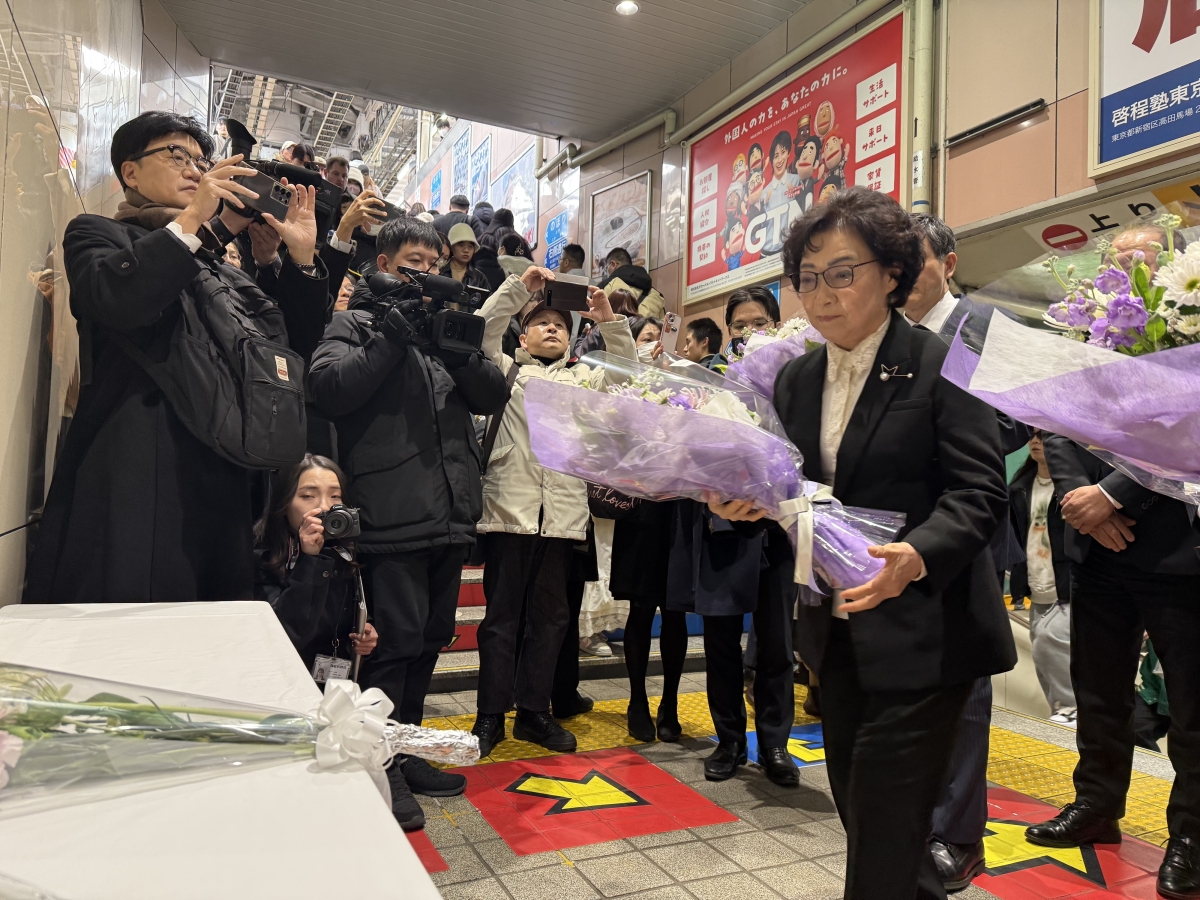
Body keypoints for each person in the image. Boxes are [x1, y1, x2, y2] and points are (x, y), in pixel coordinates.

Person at [720, 186, 1015, 900]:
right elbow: (790, 487)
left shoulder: (943, 362)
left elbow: (980, 491)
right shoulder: (796, 378)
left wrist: (917, 554)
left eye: (842, 272)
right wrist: (741, 502)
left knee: (882, 830)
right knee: (872, 818)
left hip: (927, 632)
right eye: (808, 277)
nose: (822, 293)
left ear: (891, 274)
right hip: (837, 631)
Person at [24, 111, 330, 605]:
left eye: (202, 161)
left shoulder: (221, 263)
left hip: (222, 473)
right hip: (137, 467)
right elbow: (117, 301)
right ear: (130, 172)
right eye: (176, 155)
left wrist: (299, 259)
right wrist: (195, 222)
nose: (195, 170)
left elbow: (287, 348)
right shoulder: (99, 233)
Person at [307, 216, 510, 805]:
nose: (425, 273)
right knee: (393, 645)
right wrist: (391, 337)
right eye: (412, 263)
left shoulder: (445, 328)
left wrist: (458, 349)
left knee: (428, 639)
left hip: (449, 514)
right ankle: (380, 765)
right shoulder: (356, 322)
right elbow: (329, 389)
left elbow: (492, 395)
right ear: (384, 265)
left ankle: (408, 749)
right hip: (390, 515)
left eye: (432, 262)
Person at [907, 212, 1032, 892]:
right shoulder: (889, 336)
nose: (901, 275)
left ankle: (958, 835)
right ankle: (918, 818)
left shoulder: (981, 326)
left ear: (948, 264)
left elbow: (1012, 423)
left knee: (964, 683)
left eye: (915, 259)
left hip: (966, 530)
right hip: (903, 535)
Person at [470, 266, 635, 757]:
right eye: (541, 322)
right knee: (500, 620)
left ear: (571, 337)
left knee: (550, 621)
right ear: (523, 336)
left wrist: (608, 320)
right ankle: (489, 714)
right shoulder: (505, 370)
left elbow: (628, 374)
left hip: (562, 518)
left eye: (560, 324)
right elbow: (483, 328)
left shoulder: (585, 378)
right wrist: (520, 288)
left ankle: (534, 713)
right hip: (510, 511)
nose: (551, 328)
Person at [1030, 432, 1200, 899]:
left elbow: (1187, 432)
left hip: (1179, 546)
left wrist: (1110, 496)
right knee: (1097, 689)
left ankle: (1192, 838)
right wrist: (1081, 501)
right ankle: (1096, 805)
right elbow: (1058, 426)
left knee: (1192, 707)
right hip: (1093, 547)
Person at [670, 285, 799, 789]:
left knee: (776, 643)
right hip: (723, 526)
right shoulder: (709, 381)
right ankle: (728, 741)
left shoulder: (796, 377)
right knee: (721, 641)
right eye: (740, 325)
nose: (749, 332)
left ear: (776, 324)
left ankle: (775, 744)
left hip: (779, 528)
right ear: (728, 331)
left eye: (758, 323)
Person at [1009, 431, 1076, 724]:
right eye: (1032, 435)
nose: (1036, 441)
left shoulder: (1073, 487)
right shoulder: (1020, 488)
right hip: (1036, 580)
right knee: (1041, 651)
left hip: (1068, 583)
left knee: (1051, 640)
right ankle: (1061, 710)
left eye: (1043, 435)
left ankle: (1071, 707)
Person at [613, 496, 686, 743]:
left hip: (679, 511)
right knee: (640, 607)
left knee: (675, 610)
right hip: (640, 509)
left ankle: (670, 702)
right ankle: (637, 701)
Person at [598, 247, 666, 320]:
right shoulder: (657, 295)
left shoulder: (607, 286)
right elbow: (663, 325)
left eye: (607, 268)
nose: (607, 272)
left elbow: (594, 321)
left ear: (613, 264)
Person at [440, 222, 491, 300]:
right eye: (461, 245)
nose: (466, 250)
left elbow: (487, 303)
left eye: (470, 246)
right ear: (452, 247)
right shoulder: (440, 272)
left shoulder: (479, 278)